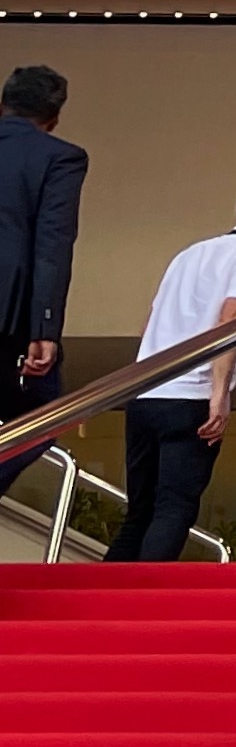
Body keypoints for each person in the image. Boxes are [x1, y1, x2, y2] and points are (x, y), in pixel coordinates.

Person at [115, 182, 236, 563]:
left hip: (145, 392)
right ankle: (143, 605)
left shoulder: (189, 253)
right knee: (174, 507)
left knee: (140, 511)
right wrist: (220, 393)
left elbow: (153, 323)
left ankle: (101, 601)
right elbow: (231, 319)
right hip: (189, 398)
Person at [0, 62, 87, 469]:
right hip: (9, 322)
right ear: (53, 119)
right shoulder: (60, 158)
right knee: (45, 419)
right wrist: (44, 329)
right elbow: (52, 246)